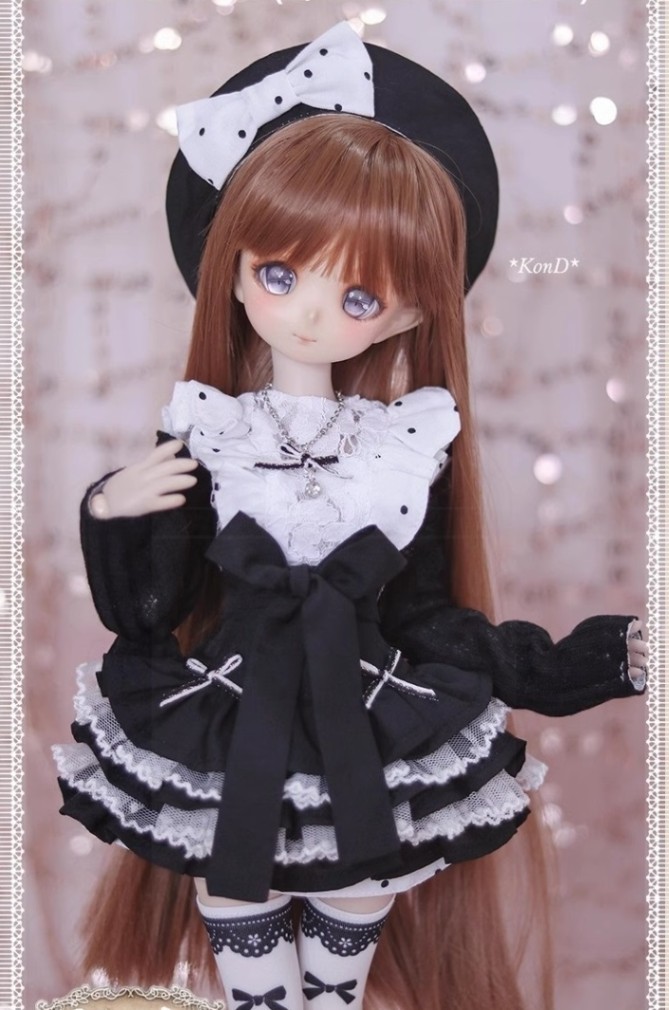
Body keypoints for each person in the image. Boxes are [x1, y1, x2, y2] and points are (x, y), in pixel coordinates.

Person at [52, 22, 648, 1010]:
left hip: (366, 712)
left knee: (358, 895)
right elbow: (148, 613)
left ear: (411, 311)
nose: (310, 314)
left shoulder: (404, 447)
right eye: (279, 273)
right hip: (234, 707)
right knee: (235, 893)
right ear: (231, 264)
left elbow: (432, 619)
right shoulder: (213, 432)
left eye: (359, 295)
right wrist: (111, 512)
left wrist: (584, 660)